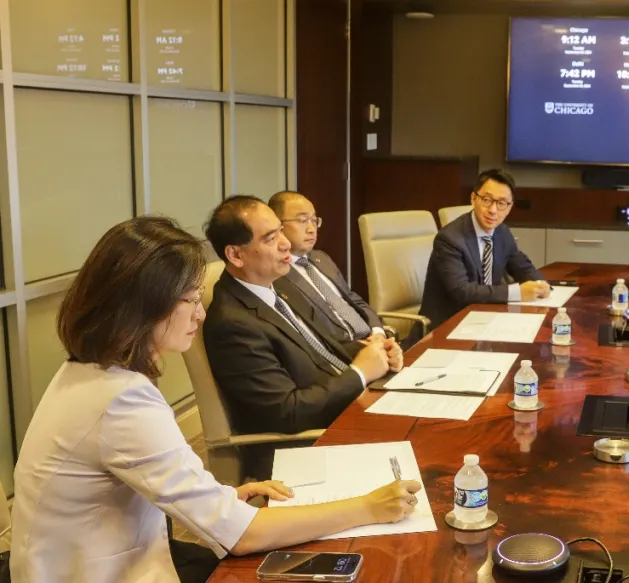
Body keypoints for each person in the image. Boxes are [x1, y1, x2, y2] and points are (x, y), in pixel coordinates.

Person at [10, 216, 421, 583]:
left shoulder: (92, 372)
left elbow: (153, 473)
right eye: (190, 298)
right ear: (145, 303)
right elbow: (243, 536)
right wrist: (369, 507)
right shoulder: (121, 399)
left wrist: (220, 498)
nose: (200, 313)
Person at [202, 195, 403, 480]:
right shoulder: (233, 323)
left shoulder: (276, 287)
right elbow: (288, 412)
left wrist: (378, 351)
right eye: (270, 238)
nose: (285, 243)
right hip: (304, 445)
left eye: (280, 231)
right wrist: (360, 373)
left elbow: (324, 347)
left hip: (345, 411)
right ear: (236, 255)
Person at [419, 168, 549, 330]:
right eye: (487, 200)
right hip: (447, 326)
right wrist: (517, 292)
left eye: (501, 203)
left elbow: (523, 267)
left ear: (509, 207)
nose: (493, 210)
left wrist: (540, 284)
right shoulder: (449, 239)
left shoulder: (502, 233)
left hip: (486, 321)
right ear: (473, 199)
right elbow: (462, 292)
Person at [269, 190, 387, 348]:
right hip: (342, 352)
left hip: (373, 342)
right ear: (278, 226)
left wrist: (378, 332)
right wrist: (360, 348)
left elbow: (353, 299)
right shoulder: (275, 274)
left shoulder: (321, 258)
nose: (311, 229)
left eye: (314, 220)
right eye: (303, 220)